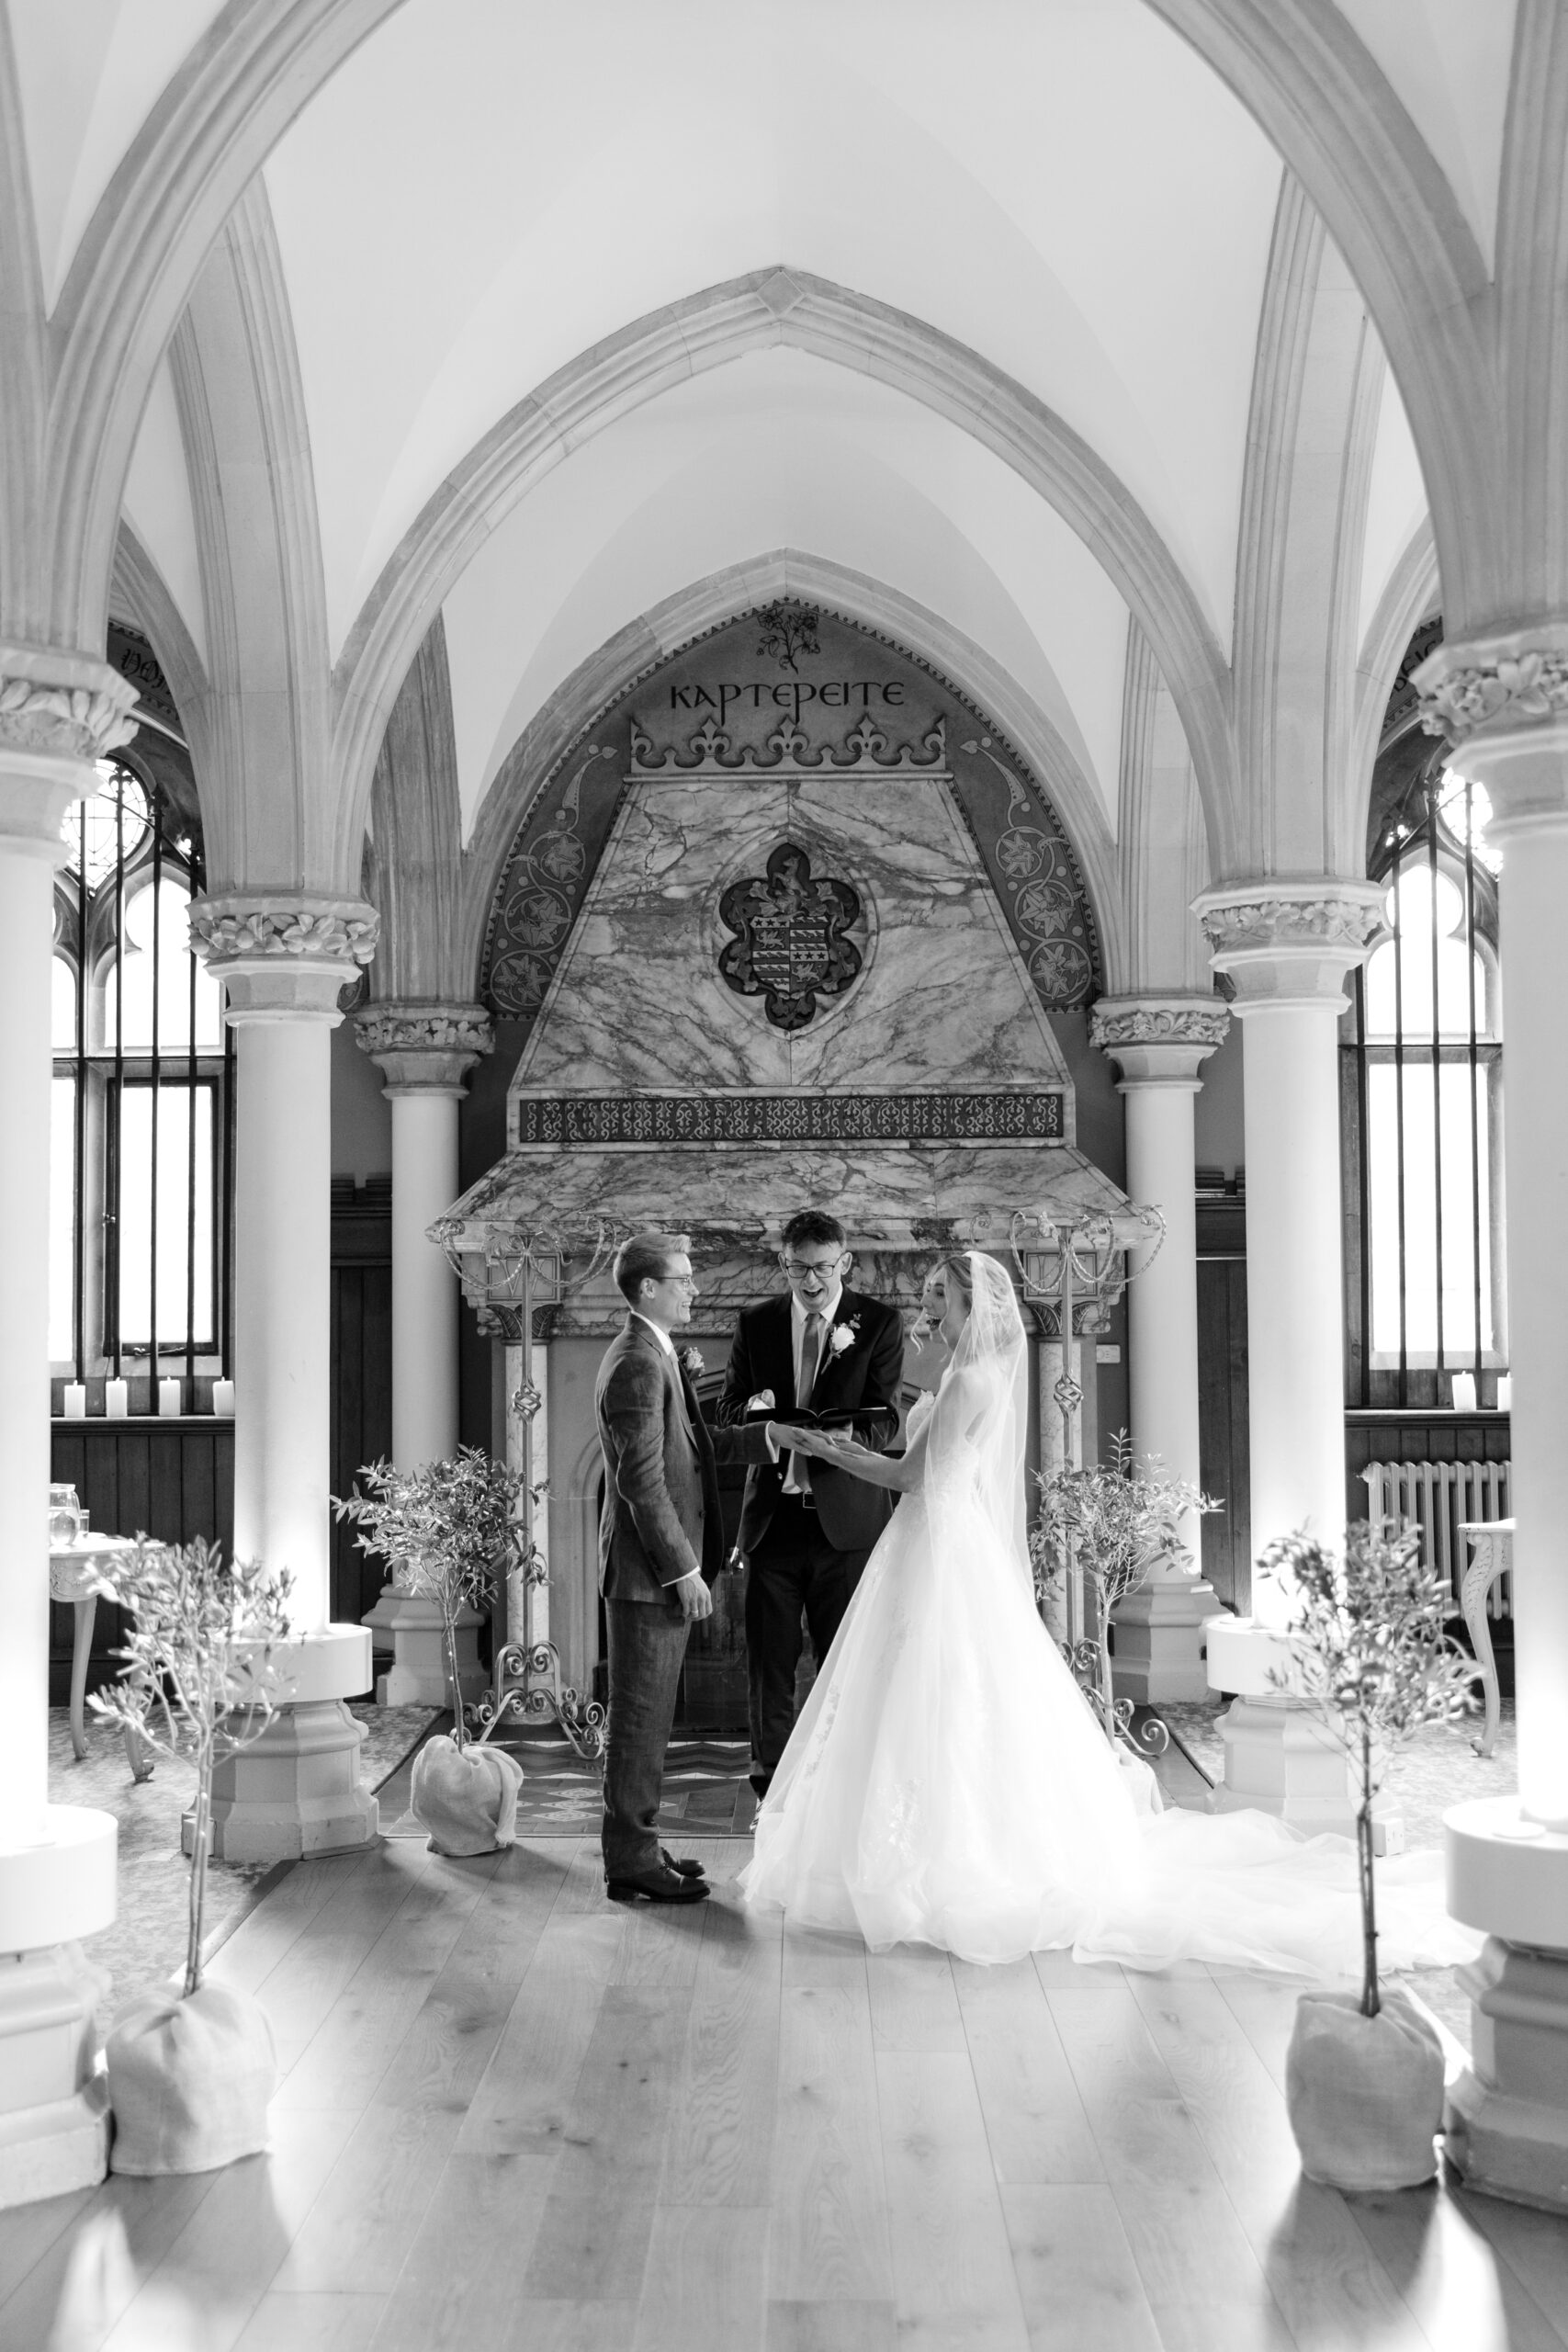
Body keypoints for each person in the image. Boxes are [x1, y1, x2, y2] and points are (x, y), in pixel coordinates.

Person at [741, 1249, 1478, 1977]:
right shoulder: (969, 1372)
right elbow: (919, 1459)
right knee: (933, 1688)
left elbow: (907, 1475)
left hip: (935, 1540)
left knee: (938, 1686)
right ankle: (915, 1839)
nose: (928, 1304)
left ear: (970, 1302)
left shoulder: (967, 1379)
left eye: (940, 1293)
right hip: (936, 1538)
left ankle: (942, 1853)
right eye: (929, 1292)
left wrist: (821, 1448)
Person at [596, 1231, 781, 1904]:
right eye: (681, 1279)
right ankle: (630, 1863)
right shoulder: (637, 1363)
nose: (694, 1288)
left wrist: (769, 1437)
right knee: (639, 1723)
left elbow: (690, 1452)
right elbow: (641, 1484)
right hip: (649, 1578)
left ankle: (636, 1846)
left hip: (653, 1574)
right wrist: (683, 1571)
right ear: (647, 1287)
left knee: (646, 1722)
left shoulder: (655, 1353)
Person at [716, 1209, 904, 1799]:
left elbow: (886, 1416)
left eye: (823, 1268)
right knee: (769, 1669)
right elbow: (726, 1412)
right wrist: (766, 1425)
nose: (812, 1282)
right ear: (784, 1263)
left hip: (847, 1525)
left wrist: (850, 1441)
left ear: (844, 1262)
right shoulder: (756, 1323)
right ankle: (770, 1789)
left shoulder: (877, 1323)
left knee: (844, 1667)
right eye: (799, 1268)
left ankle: (839, 1791)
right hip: (772, 1524)